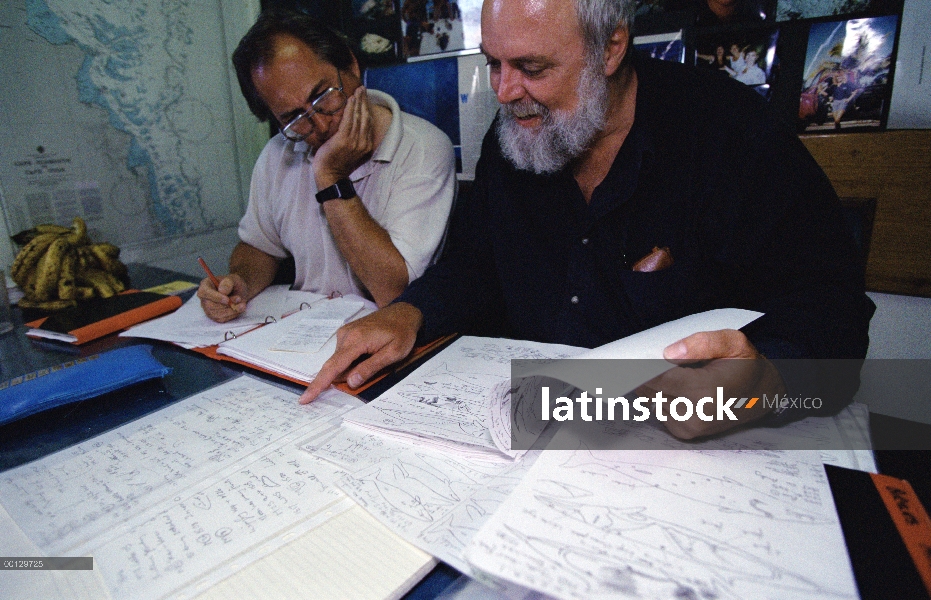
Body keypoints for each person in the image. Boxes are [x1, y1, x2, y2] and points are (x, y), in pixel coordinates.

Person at [302, 0, 874, 440]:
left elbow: (835, 315)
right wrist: (411, 312)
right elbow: (479, 267)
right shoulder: (512, 145)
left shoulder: (728, 134)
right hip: (526, 435)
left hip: (691, 461)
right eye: (493, 64)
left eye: (530, 67)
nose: (504, 92)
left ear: (610, 48)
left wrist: (762, 385)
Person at [198, 10, 456, 322]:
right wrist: (239, 282)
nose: (319, 125)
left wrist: (331, 177)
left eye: (323, 97)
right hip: (302, 330)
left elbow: (393, 291)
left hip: (388, 333)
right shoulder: (279, 152)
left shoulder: (423, 147)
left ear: (350, 65)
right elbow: (259, 247)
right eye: (293, 117)